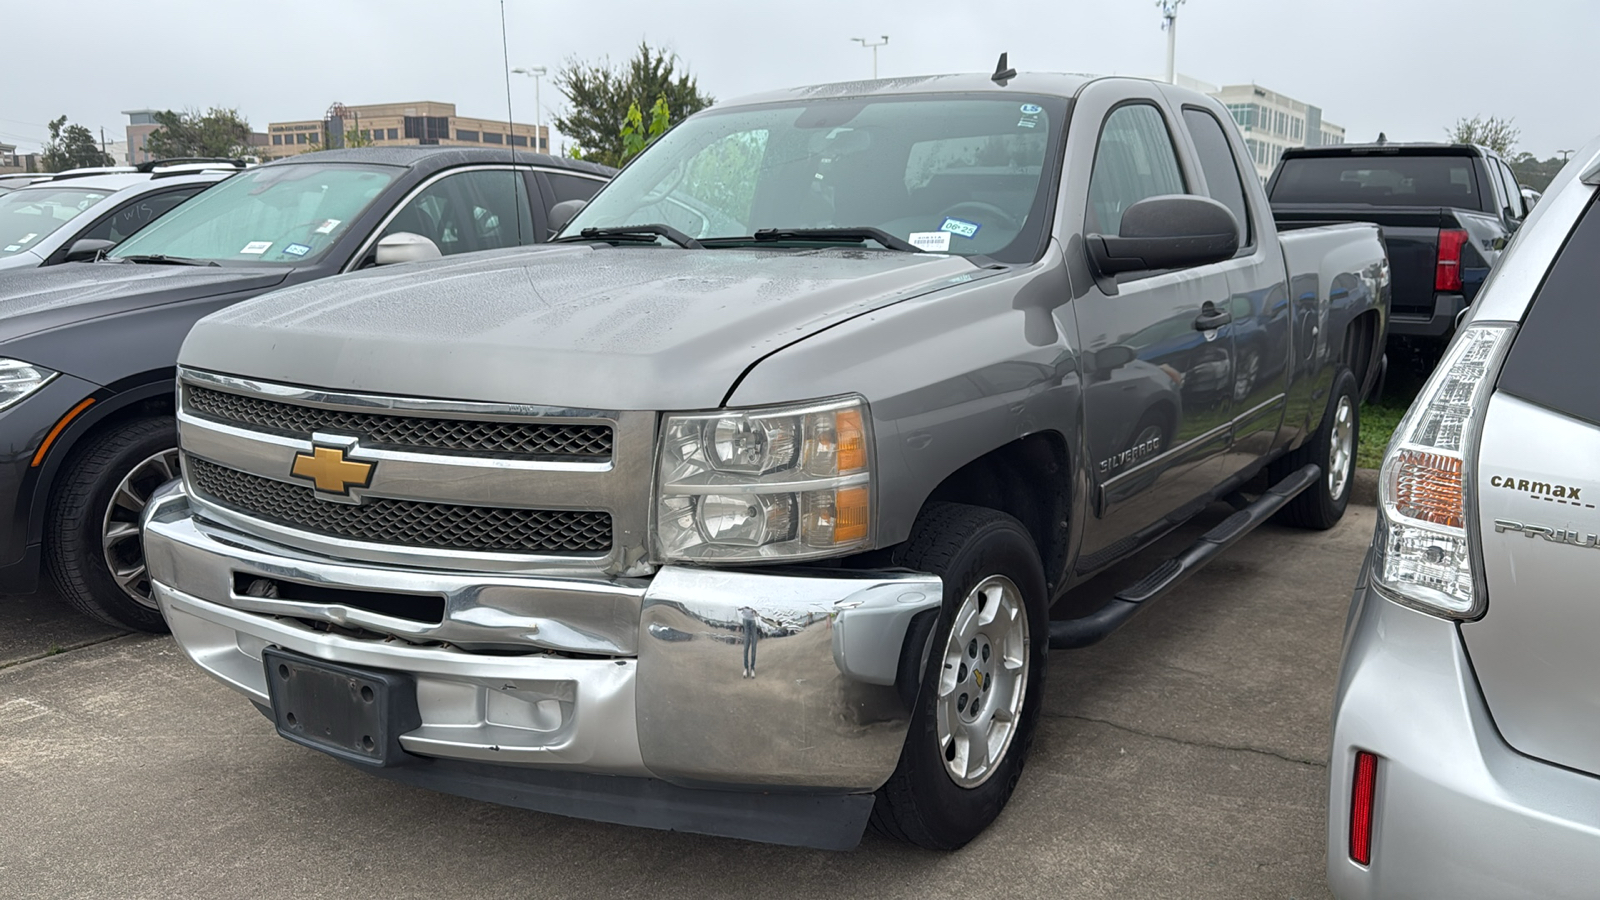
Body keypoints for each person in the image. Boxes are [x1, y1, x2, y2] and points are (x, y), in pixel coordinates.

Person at [738, 606, 760, 678]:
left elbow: (757, 611)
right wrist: (743, 607)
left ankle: (752, 668)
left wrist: (754, 610)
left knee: (754, 647)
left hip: (752, 620)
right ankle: (746, 668)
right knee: (746, 647)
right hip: (746, 620)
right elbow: (738, 607)